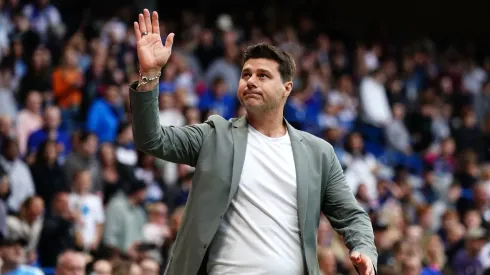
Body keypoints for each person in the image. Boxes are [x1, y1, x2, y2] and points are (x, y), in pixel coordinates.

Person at [129, 9, 377, 275]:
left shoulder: (318, 153)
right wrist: (150, 74)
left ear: (287, 88)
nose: (250, 81)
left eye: (263, 75)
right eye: (246, 74)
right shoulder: (215, 135)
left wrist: (364, 250)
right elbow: (151, 140)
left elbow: (352, 216)